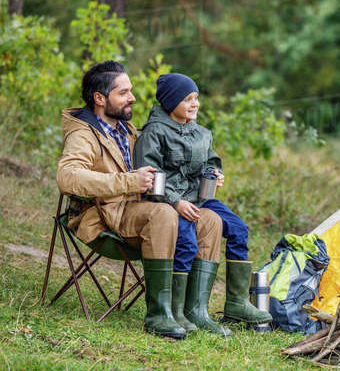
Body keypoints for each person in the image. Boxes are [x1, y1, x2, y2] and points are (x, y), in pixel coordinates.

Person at [56, 61, 223, 340]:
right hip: (103, 215)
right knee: (163, 215)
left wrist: (207, 174)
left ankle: (192, 310)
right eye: (123, 93)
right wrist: (130, 181)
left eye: (130, 91)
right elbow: (68, 177)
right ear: (100, 98)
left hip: (136, 209)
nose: (132, 97)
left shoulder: (128, 130)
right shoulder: (83, 133)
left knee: (210, 220)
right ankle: (159, 314)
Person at [132, 73, 272, 336]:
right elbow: (151, 177)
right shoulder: (154, 133)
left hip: (201, 198)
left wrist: (215, 175)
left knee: (239, 229)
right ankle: (178, 312)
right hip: (170, 203)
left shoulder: (202, 133)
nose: (194, 104)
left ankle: (236, 302)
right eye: (187, 99)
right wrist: (176, 203)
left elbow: (210, 162)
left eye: (196, 98)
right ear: (170, 101)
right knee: (187, 243)